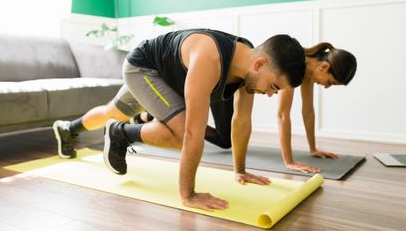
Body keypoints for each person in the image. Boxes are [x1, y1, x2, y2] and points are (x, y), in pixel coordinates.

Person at [101, 29, 306, 211]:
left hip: (173, 75)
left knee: (186, 133)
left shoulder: (250, 63)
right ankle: (118, 133)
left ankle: (125, 129)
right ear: (260, 64)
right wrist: (189, 195)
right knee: (183, 134)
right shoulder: (209, 59)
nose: (270, 94)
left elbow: (242, 121)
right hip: (145, 69)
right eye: (274, 87)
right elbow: (193, 133)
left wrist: (240, 171)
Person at [277, 42, 357, 173]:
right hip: (238, 77)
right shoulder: (294, 63)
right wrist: (289, 162)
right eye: (330, 82)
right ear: (324, 66)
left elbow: (308, 110)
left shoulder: (308, 70)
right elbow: (282, 114)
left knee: (229, 142)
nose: (326, 86)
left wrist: (313, 148)